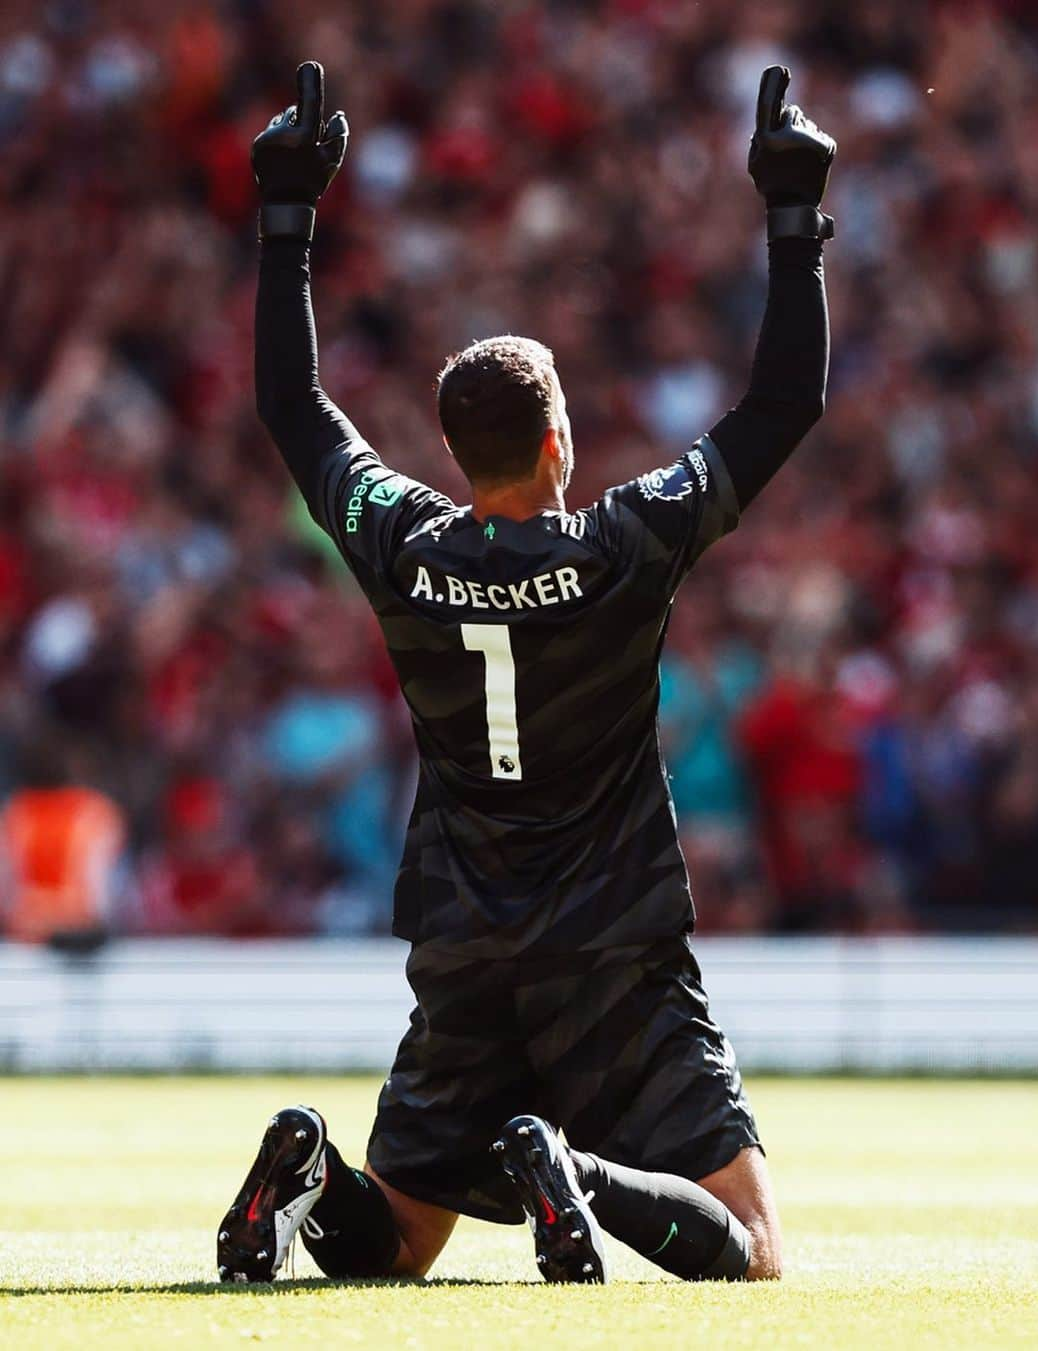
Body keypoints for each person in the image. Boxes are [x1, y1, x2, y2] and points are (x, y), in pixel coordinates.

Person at [217, 61, 834, 1287]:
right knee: (756, 1254)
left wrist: (286, 219)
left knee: (391, 1244)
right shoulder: (621, 549)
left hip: (464, 951)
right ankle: (579, 1172)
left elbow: (295, 406)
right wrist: (792, 218)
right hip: (614, 945)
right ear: (558, 442)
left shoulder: (402, 541)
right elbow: (782, 405)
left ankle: (310, 1169)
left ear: (454, 450)